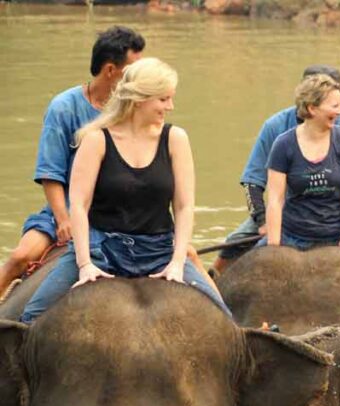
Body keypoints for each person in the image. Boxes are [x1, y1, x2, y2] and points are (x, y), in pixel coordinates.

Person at [21, 58, 229, 324]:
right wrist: (84, 264)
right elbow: (79, 205)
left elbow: (184, 207)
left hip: (159, 250)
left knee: (226, 320)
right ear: (140, 99)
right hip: (101, 247)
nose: (170, 106)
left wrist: (177, 262)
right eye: (163, 99)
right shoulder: (95, 140)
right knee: (31, 317)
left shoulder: (176, 139)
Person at [212, 65, 340, 276]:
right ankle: (213, 281)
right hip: (291, 207)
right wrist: (264, 223)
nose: (339, 110)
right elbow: (255, 183)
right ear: (311, 106)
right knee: (233, 242)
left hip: (338, 202)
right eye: (334, 104)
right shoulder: (276, 129)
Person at [0, 26, 145, 298]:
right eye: (132, 71)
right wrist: (63, 218)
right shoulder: (64, 107)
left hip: (121, 208)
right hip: (68, 205)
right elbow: (51, 173)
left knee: (188, 254)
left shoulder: (134, 108)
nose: (139, 79)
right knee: (21, 256)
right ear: (111, 70)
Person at [257, 74, 340, 268]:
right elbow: (275, 199)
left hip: (339, 233)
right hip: (292, 235)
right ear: (312, 108)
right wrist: (274, 243)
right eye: (334, 106)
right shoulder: (283, 144)